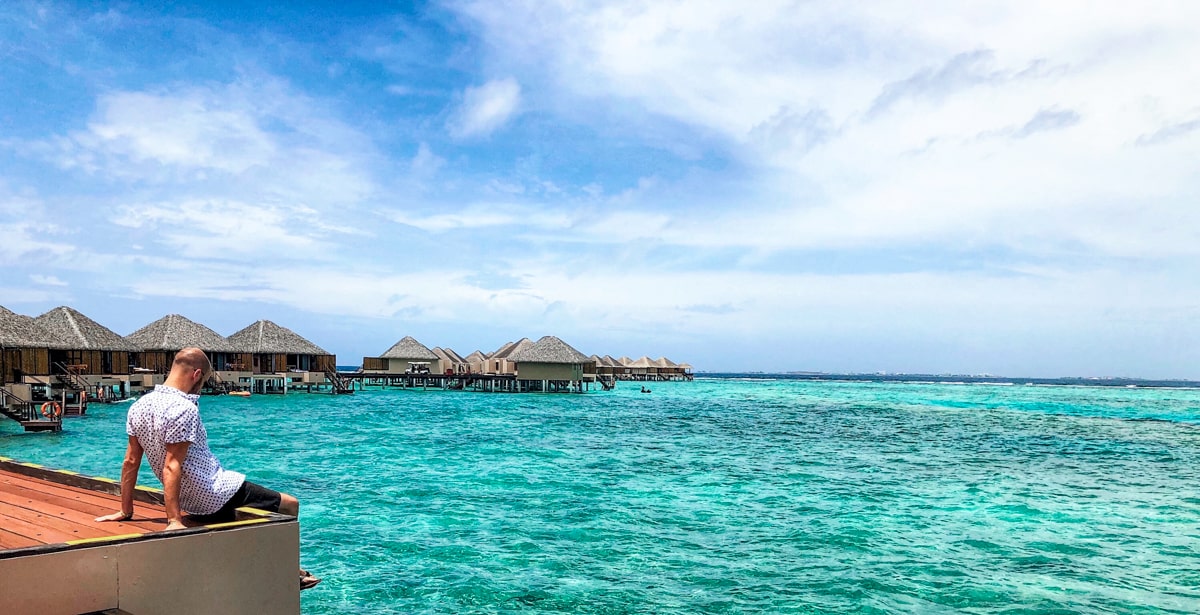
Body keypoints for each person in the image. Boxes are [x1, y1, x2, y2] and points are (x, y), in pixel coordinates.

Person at [95, 347, 320, 590]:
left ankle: (287, 569)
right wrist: (173, 521)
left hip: (190, 501)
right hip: (215, 493)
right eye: (202, 381)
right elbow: (172, 465)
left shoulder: (139, 406)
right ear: (196, 374)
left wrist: (126, 510)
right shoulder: (184, 408)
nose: (201, 387)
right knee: (290, 504)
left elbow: (130, 462)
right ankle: (285, 573)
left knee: (250, 519)